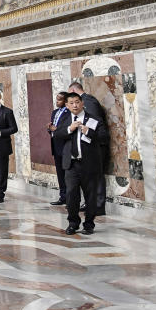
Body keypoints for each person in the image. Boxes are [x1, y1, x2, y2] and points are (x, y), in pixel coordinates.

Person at [53, 92, 103, 235]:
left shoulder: (94, 119)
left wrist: (89, 132)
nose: (75, 105)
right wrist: (70, 129)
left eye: (77, 102)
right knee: (71, 194)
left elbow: (103, 137)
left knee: (90, 196)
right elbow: (57, 135)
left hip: (89, 164)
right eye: (71, 103)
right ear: (67, 105)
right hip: (71, 164)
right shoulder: (65, 119)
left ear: (82, 103)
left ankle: (89, 224)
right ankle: (73, 223)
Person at [68, 81, 109, 215]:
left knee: (95, 178)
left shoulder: (88, 101)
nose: (74, 105)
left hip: (94, 145)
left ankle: (97, 206)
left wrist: (87, 132)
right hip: (88, 145)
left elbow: (95, 124)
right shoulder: (87, 100)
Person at [47, 91, 69, 206]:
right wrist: (49, 129)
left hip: (65, 146)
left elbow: (66, 128)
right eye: (56, 99)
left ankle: (70, 198)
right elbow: (53, 128)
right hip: (55, 146)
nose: (57, 101)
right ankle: (63, 196)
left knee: (67, 174)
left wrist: (56, 129)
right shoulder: (55, 112)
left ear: (65, 101)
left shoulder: (69, 113)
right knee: (60, 174)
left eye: (59, 99)